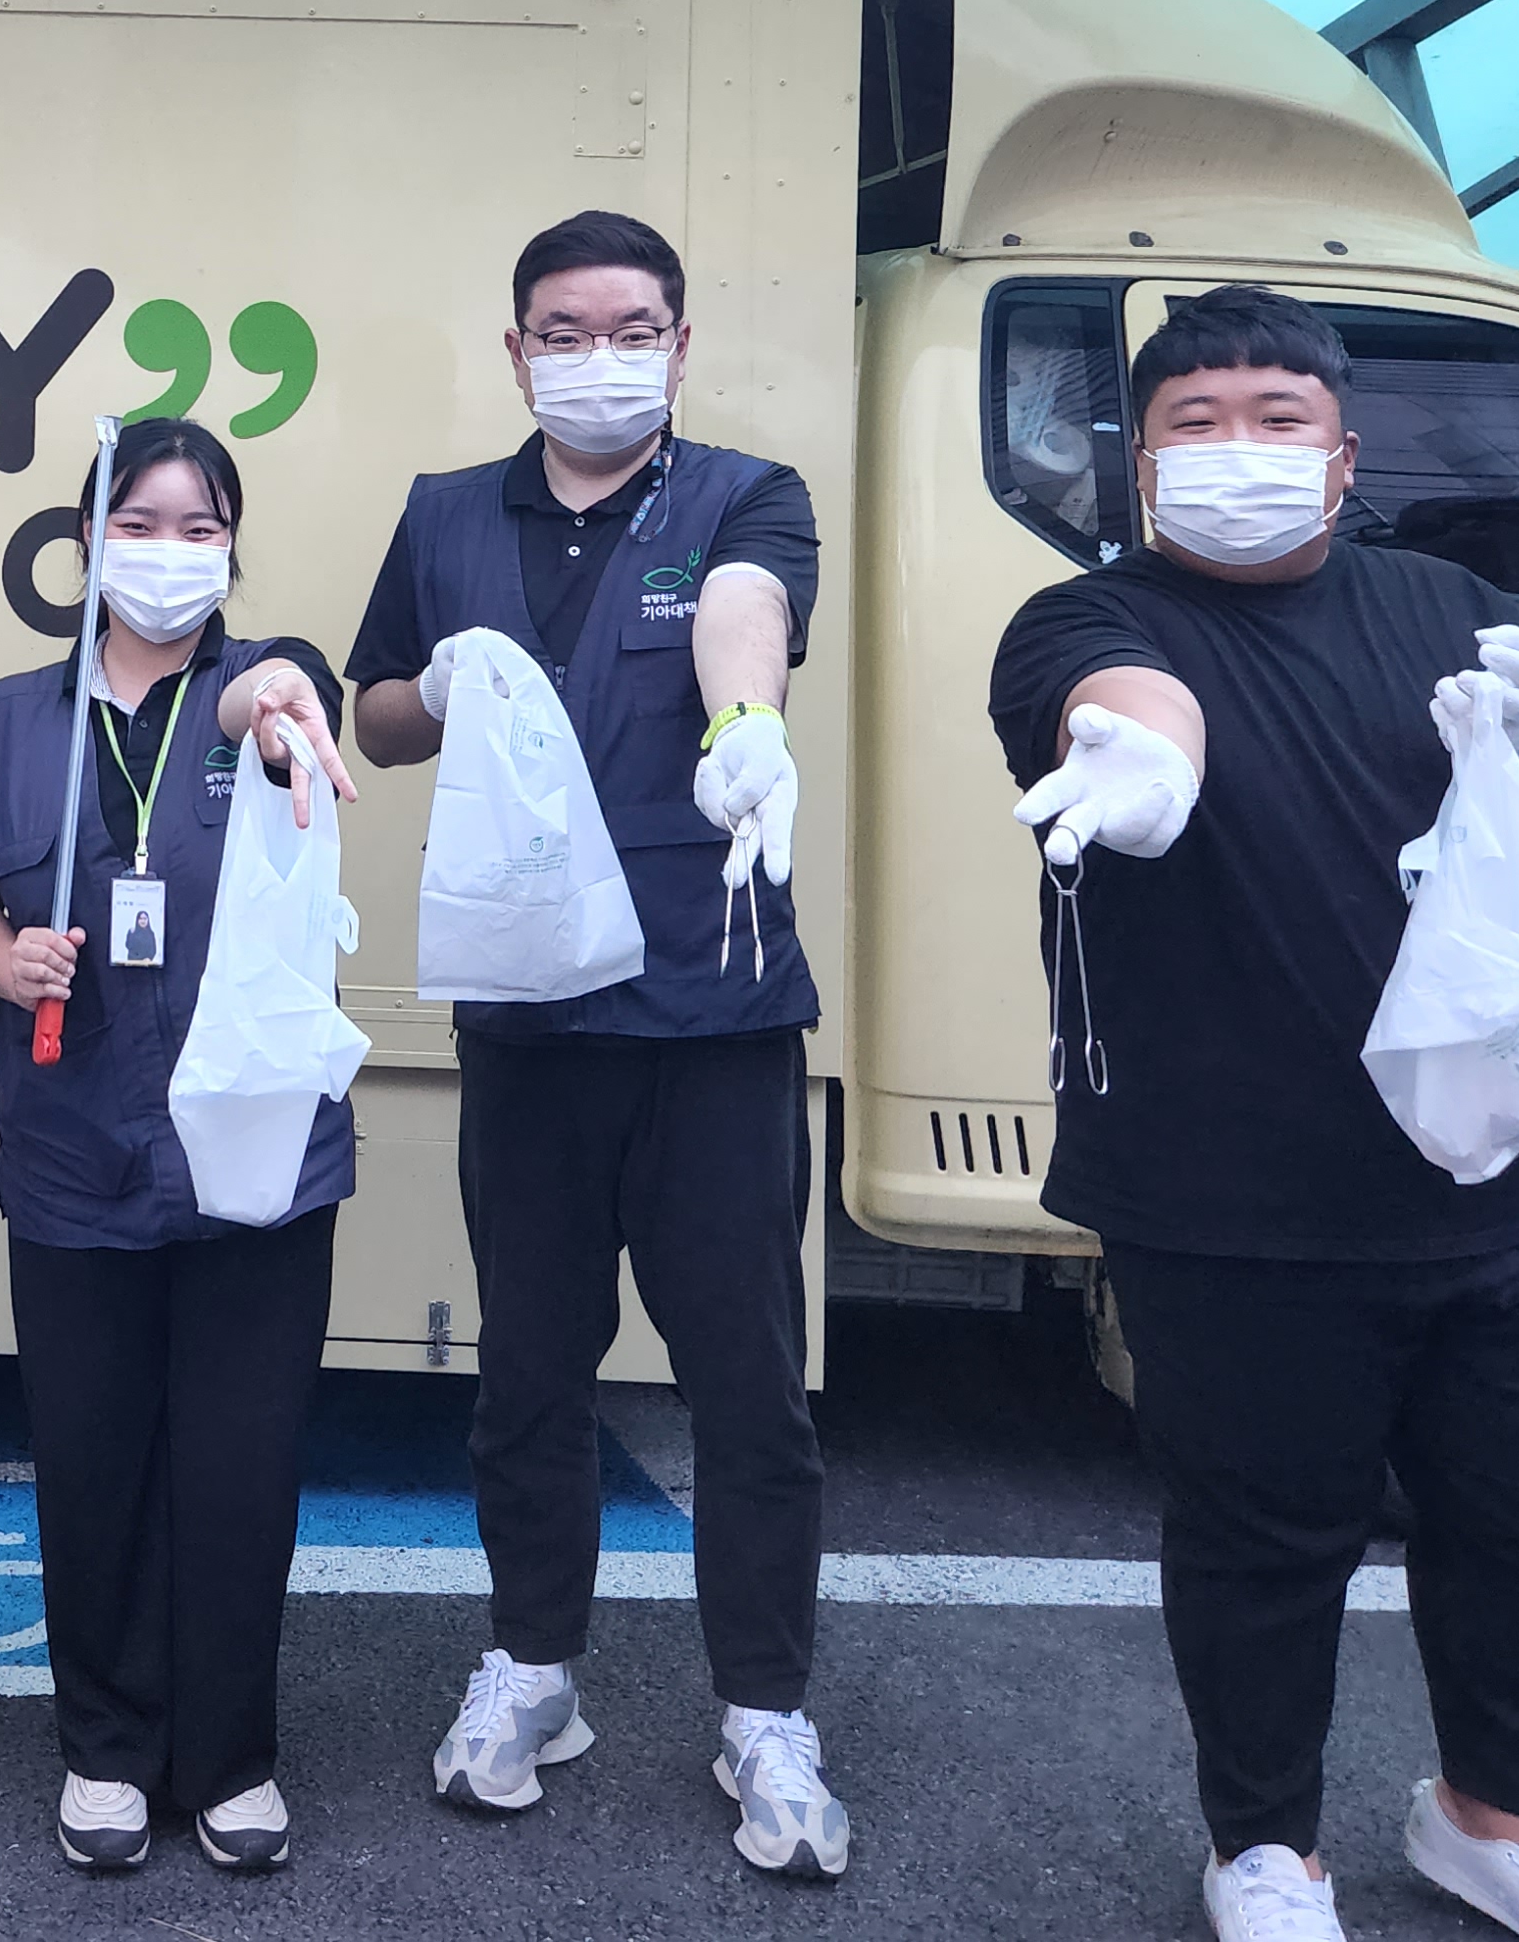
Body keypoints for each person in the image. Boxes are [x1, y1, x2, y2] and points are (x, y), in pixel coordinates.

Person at [990, 283, 1519, 1942]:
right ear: (1142, 465)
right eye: (1195, 423)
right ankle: (1265, 1850)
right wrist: (1144, 763)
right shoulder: (1086, 620)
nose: (1236, 447)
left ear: (1342, 453)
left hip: (1507, 1176)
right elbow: (1120, 701)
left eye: (1275, 418)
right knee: (1259, 1543)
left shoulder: (1447, 605)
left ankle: (1494, 1820)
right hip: (1227, 1200)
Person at [346, 207, 848, 1880]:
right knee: (530, 1373)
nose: (597, 359)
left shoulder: (746, 497)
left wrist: (748, 722)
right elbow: (375, 713)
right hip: (529, 1023)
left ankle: (763, 1710)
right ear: (516, 352)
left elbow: (745, 613)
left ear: (681, 346)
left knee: (748, 1388)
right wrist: (445, 686)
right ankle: (533, 1666)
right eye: (562, 333)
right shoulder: (446, 515)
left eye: (632, 330)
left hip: (711, 1018)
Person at [0, 419, 359, 1877]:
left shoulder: (270, 684)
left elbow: (283, 698)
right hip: (73, 1149)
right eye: (141, 522)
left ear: (233, 549)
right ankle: (106, 1748)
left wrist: (273, 702)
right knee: (92, 1460)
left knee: (240, 1465)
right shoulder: (9, 717)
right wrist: (2, 962)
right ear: (87, 540)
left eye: (201, 527)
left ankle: (230, 1758)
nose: (170, 552)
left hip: (255, 1158)